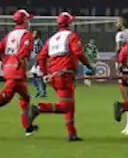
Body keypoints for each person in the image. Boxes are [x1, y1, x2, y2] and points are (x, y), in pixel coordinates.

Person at [28, 12, 94, 142]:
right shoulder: (71, 36)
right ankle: (39, 108)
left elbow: (41, 57)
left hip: (54, 76)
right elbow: (78, 52)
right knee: (65, 107)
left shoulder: (51, 39)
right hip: (65, 75)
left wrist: (46, 73)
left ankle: (72, 133)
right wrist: (88, 65)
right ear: (69, 23)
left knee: (69, 104)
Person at [28, 30, 48, 98]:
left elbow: (41, 51)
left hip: (39, 61)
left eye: (34, 33)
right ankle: (38, 90)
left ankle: (44, 92)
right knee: (33, 75)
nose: (33, 34)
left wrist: (39, 60)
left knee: (41, 76)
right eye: (33, 33)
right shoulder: (33, 42)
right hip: (35, 61)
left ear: (38, 35)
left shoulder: (39, 42)